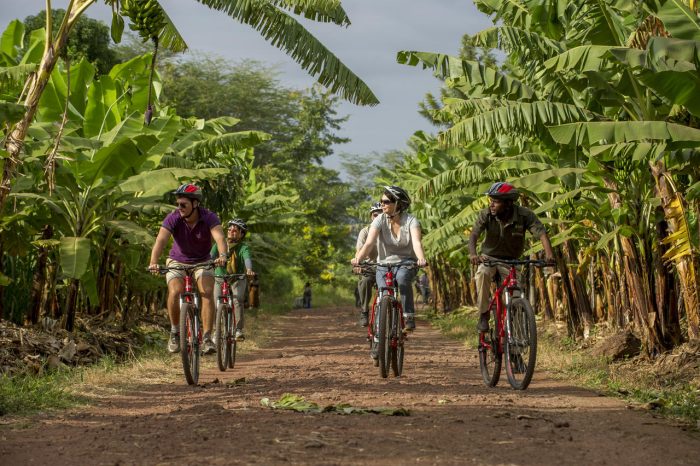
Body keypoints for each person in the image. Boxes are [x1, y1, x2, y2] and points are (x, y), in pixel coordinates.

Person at [148, 184, 228, 354]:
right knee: (175, 292)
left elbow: (220, 237)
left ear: (195, 204)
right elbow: (160, 241)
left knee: (207, 292)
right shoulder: (173, 218)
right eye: (178, 204)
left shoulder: (209, 217)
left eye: (183, 204)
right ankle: (175, 333)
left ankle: (206, 338)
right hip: (177, 261)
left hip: (202, 261)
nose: (179, 208)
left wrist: (222, 255)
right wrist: (153, 261)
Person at [469, 182, 555, 332]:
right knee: (482, 274)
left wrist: (549, 255)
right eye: (491, 201)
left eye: (495, 201)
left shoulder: (524, 215)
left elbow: (541, 233)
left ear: (508, 203)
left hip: (511, 261)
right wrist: (473, 254)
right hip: (488, 259)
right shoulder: (486, 214)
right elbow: (474, 234)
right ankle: (483, 315)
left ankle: (515, 351)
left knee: (515, 301)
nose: (491, 205)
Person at [351, 186, 427, 331]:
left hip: (406, 263)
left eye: (386, 202)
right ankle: (379, 330)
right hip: (383, 264)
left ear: (398, 203)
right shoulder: (379, 220)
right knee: (383, 292)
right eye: (381, 201)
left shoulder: (411, 221)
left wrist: (421, 259)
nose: (382, 204)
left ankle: (408, 315)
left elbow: (417, 243)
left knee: (403, 279)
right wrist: (358, 259)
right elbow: (369, 243)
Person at [211, 218, 255, 341]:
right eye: (229, 230)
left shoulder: (243, 247)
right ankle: (216, 331)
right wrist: (212, 262)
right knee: (215, 303)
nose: (231, 232)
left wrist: (249, 270)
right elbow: (210, 256)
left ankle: (238, 330)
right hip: (220, 277)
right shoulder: (220, 244)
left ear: (241, 234)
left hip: (237, 278)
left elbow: (247, 259)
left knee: (238, 299)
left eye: (235, 231)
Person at [355, 201, 382, 326]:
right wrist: (358, 263)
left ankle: (399, 313)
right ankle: (364, 311)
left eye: (381, 214)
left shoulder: (391, 230)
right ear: (371, 216)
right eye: (375, 215)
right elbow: (359, 251)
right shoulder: (365, 232)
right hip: (370, 267)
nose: (378, 217)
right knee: (365, 281)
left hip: (388, 267)